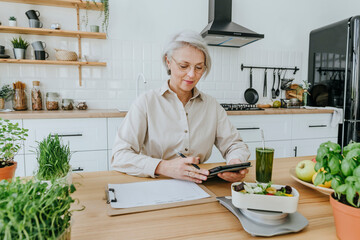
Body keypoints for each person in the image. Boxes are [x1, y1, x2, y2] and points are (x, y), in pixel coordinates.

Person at [111, 30, 250, 183]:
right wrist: (163, 167)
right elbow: (119, 156)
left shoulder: (212, 106)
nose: (191, 74)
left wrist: (235, 163)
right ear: (168, 62)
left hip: (201, 185)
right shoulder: (146, 102)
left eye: (199, 68)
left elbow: (234, 145)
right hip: (156, 184)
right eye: (184, 66)